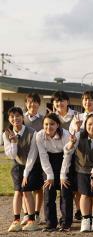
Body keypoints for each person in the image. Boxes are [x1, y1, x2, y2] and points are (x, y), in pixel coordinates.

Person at [63, 113, 93, 232]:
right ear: (85, 125)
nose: (92, 127)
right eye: (89, 124)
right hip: (81, 169)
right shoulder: (78, 135)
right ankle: (86, 219)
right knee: (85, 194)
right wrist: (71, 143)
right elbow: (67, 151)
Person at [3, 107, 42, 232]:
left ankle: (32, 220)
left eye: (18, 116)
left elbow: (32, 155)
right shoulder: (6, 134)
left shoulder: (32, 133)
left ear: (22, 117)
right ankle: (16, 220)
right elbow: (11, 155)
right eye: (12, 117)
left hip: (32, 165)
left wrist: (26, 173)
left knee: (27, 191)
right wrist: (13, 142)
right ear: (9, 119)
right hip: (17, 165)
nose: (15, 119)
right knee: (18, 192)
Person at [36, 113, 75, 232]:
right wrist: (49, 175)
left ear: (58, 125)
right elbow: (43, 156)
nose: (49, 127)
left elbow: (67, 155)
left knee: (65, 193)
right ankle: (50, 224)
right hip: (48, 162)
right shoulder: (39, 135)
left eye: (52, 124)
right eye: (46, 124)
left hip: (65, 161)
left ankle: (66, 224)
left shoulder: (66, 135)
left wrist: (63, 175)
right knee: (48, 192)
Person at [23, 92, 44, 223]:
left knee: (37, 188)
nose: (32, 104)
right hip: (23, 159)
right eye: (30, 102)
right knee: (24, 188)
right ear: (26, 104)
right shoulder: (21, 118)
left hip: (39, 159)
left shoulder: (43, 119)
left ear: (39, 104)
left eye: (35, 102)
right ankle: (26, 213)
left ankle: (36, 213)